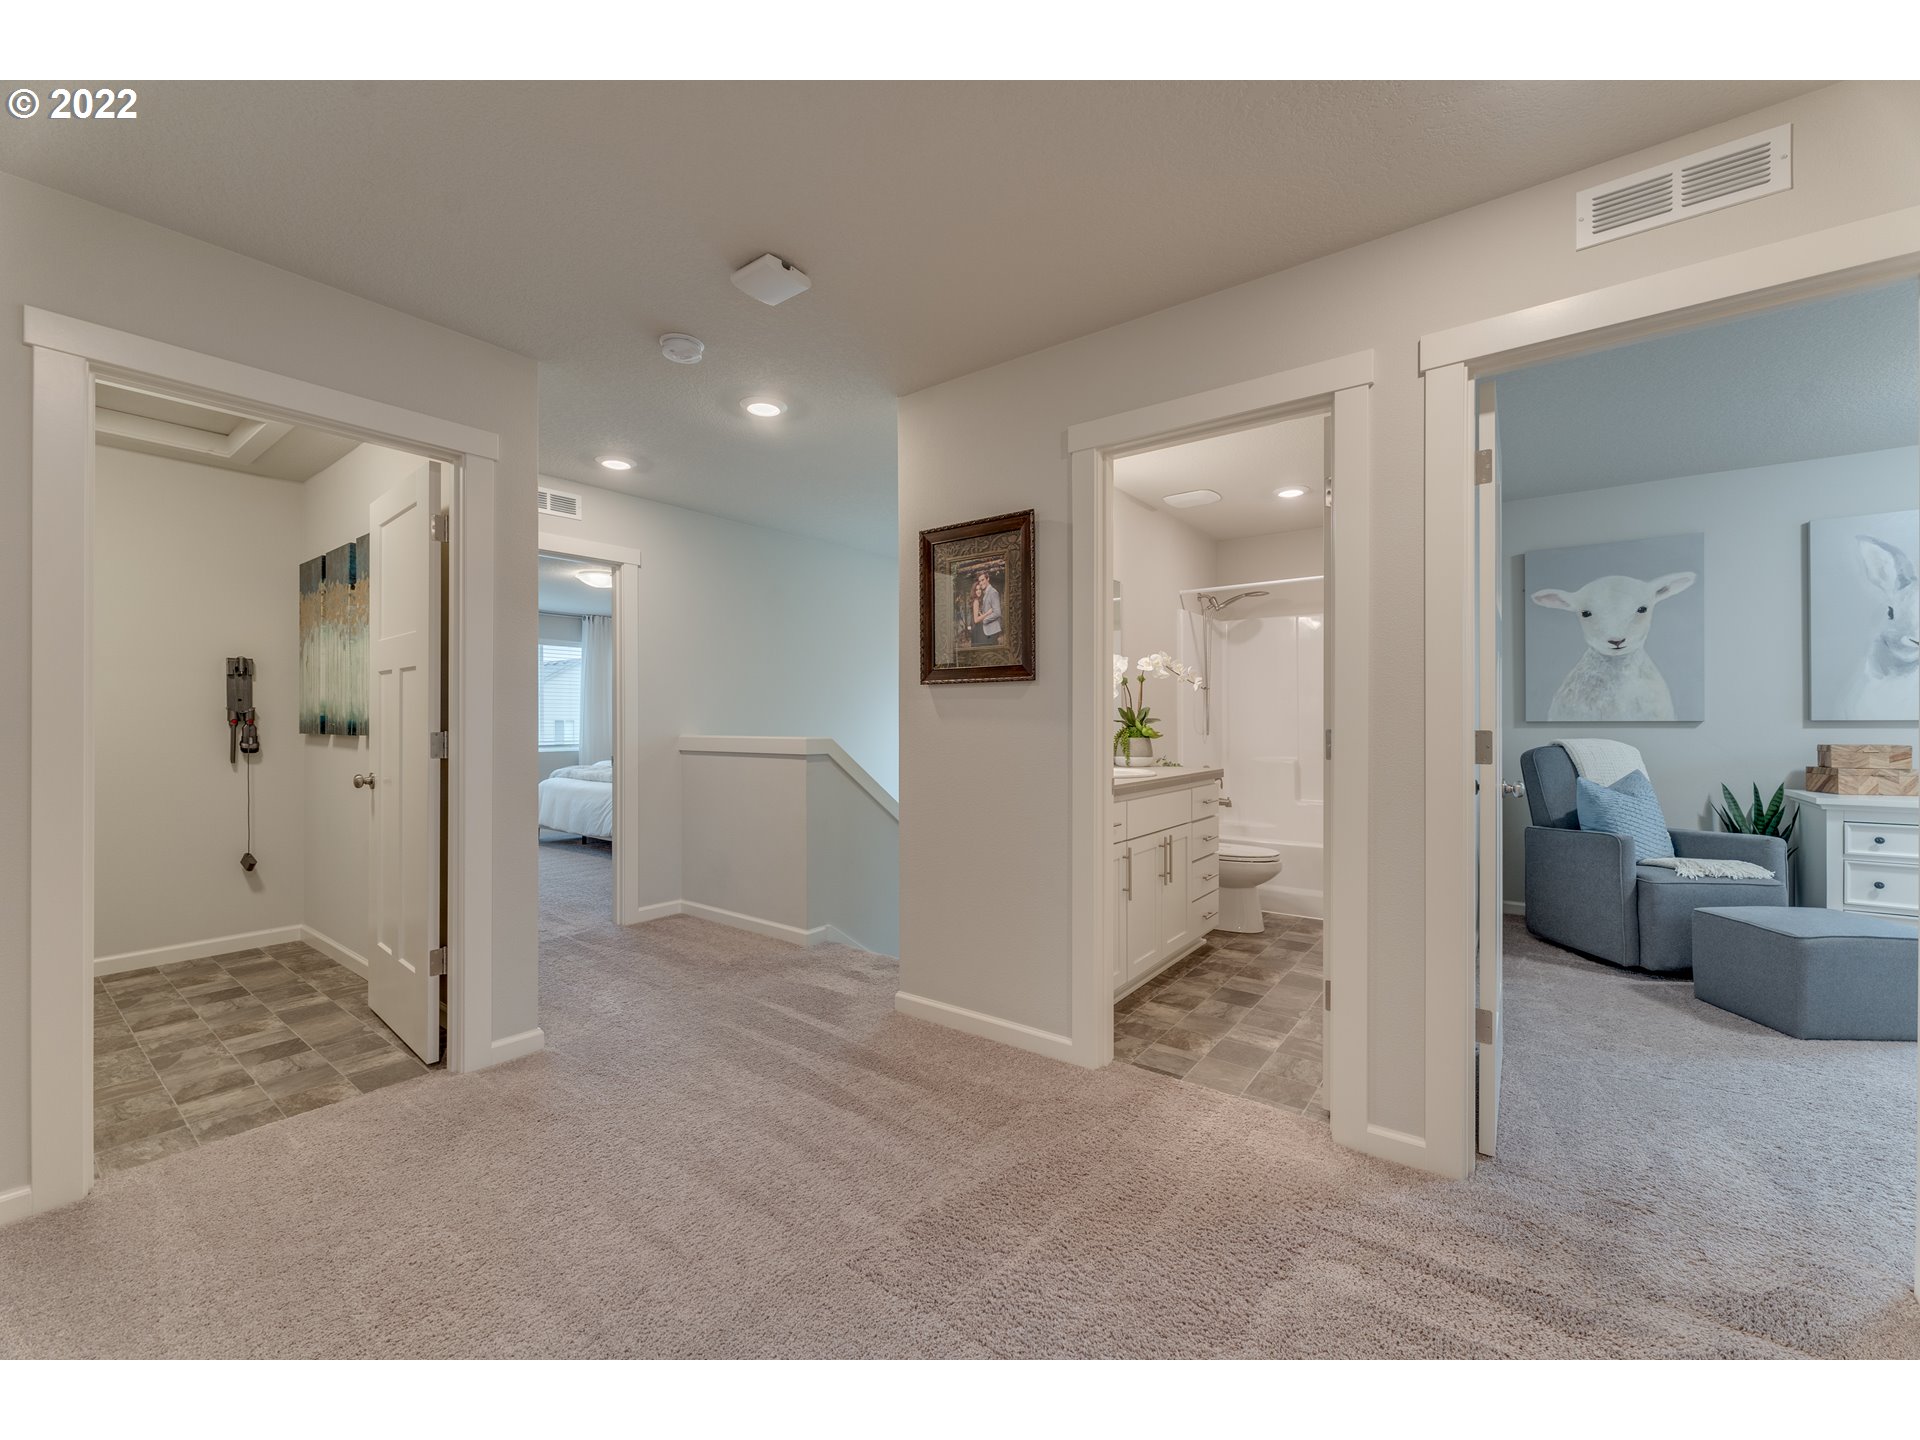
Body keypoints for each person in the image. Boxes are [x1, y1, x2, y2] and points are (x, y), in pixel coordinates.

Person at [975, 568, 1003, 647]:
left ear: (988, 579)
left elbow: (997, 613)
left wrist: (984, 620)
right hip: (987, 631)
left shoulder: (993, 592)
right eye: (979, 581)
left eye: (983, 580)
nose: (981, 583)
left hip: (992, 631)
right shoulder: (985, 592)